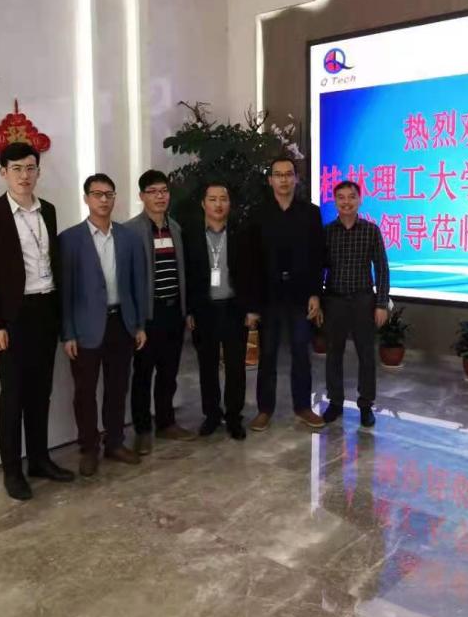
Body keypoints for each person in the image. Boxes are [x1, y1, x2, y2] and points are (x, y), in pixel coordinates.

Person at [0, 142, 74, 500]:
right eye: (16, 168)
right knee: (13, 395)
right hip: (12, 318)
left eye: (30, 168)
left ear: (38, 172)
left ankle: (40, 460)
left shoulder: (49, 211)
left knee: (41, 393)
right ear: (3, 172)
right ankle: (12, 471)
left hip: (45, 310)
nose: (24, 175)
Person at [59, 174, 148, 477]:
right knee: (85, 392)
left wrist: (139, 325)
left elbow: (137, 284)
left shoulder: (128, 238)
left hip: (121, 323)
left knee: (117, 388)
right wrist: (68, 332)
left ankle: (115, 442)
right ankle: (88, 448)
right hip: (85, 328)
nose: (103, 200)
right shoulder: (70, 240)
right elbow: (66, 291)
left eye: (109, 194)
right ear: (86, 198)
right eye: (97, 194)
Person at [246, 157, 326, 431]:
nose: (283, 179)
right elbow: (251, 261)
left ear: (296, 179)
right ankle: (264, 409)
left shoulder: (310, 213)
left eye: (288, 174)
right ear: (270, 180)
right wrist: (252, 304)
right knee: (267, 355)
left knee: (301, 353)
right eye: (278, 175)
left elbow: (317, 257)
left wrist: (315, 293)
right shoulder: (258, 214)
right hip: (269, 297)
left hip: (300, 295)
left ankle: (303, 407)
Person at [124, 170, 196, 454]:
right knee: (143, 374)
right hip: (147, 315)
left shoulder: (175, 228)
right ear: (142, 196)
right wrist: (136, 322)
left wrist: (186, 310)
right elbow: (127, 280)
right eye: (153, 191)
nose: (160, 196)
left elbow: (183, 272)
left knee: (169, 371)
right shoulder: (130, 231)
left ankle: (166, 423)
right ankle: (143, 430)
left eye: (164, 191)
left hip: (173, 311)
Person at [183, 182, 258, 441]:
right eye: (212, 199)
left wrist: (252, 309)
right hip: (204, 310)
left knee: (236, 366)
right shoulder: (191, 235)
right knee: (207, 365)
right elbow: (188, 276)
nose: (218, 204)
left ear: (229, 203)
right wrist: (189, 310)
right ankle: (212, 415)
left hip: (234, 308)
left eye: (223, 199)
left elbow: (252, 272)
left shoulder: (242, 233)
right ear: (203, 203)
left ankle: (234, 417)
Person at [322, 180, 390, 428]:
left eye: (351, 197)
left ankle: (366, 405)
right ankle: (335, 402)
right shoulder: (327, 232)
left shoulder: (371, 230)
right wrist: (318, 300)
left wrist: (381, 304)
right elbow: (319, 269)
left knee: (366, 354)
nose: (346, 202)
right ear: (335, 201)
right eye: (341, 197)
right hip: (335, 300)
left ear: (360, 200)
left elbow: (382, 268)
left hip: (363, 300)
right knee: (333, 354)